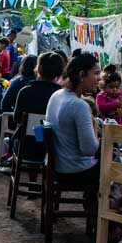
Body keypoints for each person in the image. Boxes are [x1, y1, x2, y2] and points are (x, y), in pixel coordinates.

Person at [45, 52, 101, 187]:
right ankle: (99, 208)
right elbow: (89, 149)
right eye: (96, 73)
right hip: (75, 171)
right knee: (118, 166)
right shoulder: (79, 105)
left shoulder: (57, 95)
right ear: (82, 75)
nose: (99, 79)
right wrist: (95, 126)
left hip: (56, 166)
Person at [7, 52, 65, 168]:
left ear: (38, 69)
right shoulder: (62, 96)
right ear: (60, 72)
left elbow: (16, 118)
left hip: (26, 147)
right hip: (54, 149)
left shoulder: (25, 91)